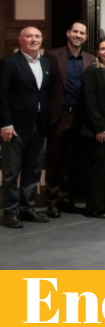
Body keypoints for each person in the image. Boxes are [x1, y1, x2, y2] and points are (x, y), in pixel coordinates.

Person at [0, 27, 53, 228]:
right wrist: (5, 123)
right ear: (20, 39)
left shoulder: (46, 63)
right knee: (11, 172)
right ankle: (10, 211)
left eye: (37, 36)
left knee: (33, 170)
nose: (33, 39)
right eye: (29, 36)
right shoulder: (9, 63)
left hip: (38, 125)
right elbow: (2, 96)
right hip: (15, 127)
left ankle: (27, 208)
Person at [44, 21, 95, 218]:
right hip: (60, 115)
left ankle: (66, 199)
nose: (78, 35)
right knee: (54, 160)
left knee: (72, 161)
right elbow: (46, 87)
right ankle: (52, 201)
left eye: (82, 33)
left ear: (86, 37)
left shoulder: (91, 60)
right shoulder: (52, 55)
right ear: (68, 33)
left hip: (80, 117)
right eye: (75, 31)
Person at [81, 37, 105, 219]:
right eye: (103, 49)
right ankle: (94, 207)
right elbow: (90, 101)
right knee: (97, 168)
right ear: (97, 52)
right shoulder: (92, 71)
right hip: (98, 128)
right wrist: (100, 127)